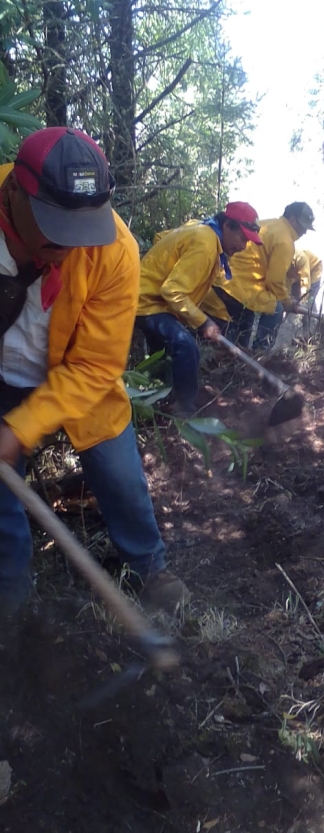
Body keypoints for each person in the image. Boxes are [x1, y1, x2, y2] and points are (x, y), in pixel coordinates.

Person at [0, 126, 185, 617]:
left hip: (76, 374)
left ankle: (149, 565)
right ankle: (13, 608)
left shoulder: (114, 249)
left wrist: (19, 429)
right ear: (16, 192)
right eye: (54, 227)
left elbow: (95, 365)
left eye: (81, 230)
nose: (69, 246)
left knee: (120, 473)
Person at [135, 202, 262, 417]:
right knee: (186, 347)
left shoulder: (203, 230)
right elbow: (172, 291)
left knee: (164, 356)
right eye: (243, 238)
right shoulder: (205, 244)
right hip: (147, 303)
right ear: (228, 226)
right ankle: (184, 412)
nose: (244, 246)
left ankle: (157, 404)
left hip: (153, 300)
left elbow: (162, 237)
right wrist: (203, 322)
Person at [202, 201, 315, 351]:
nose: (304, 232)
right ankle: (260, 353)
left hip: (222, 280)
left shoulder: (267, 224)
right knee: (277, 309)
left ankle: (242, 355)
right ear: (293, 220)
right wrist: (288, 302)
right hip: (240, 289)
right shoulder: (286, 241)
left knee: (243, 330)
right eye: (303, 226)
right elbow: (274, 281)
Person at [288, 248, 323, 334]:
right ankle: (287, 328)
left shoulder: (301, 258)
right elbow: (286, 283)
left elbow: (305, 281)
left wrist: (303, 301)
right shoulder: (284, 261)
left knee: (308, 302)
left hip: (314, 270)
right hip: (297, 276)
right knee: (292, 300)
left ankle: (311, 329)